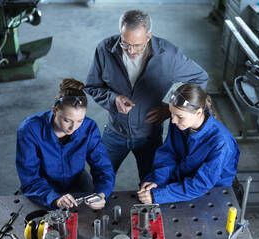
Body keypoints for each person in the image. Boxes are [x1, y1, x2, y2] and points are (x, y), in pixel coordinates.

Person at [85, 10, 208, 181]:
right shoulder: (105, 50)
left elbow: (200, 78)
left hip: (149, 135)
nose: (131, 50)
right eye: (125, 43)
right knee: (99, 181)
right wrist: (114, 99)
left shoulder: (168, 55)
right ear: (120, 33)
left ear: (149, 37)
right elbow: (92, 86)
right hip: (115, 132)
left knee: (150, 184)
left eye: (137, 45)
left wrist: (170, 109)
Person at [16, 78, 115, 209]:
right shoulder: (30, 130)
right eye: (67, 120)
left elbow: (102, 167)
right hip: (41, 187)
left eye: (80, 120)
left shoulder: (89, 128)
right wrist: (54, 198)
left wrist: (102, 194)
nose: (73, 127)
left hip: (78, 182)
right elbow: (29, 178)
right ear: (54, 111)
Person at [137, 83, 239, 204]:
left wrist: (158, 195)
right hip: (184, 182)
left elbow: (201, 184)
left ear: (198, 113)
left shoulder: (221, 143)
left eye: (179, 116)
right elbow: (169, 154)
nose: (173, 120)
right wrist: (157, 180)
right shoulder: (181, 123)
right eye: (171, 114)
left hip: (212, 191)